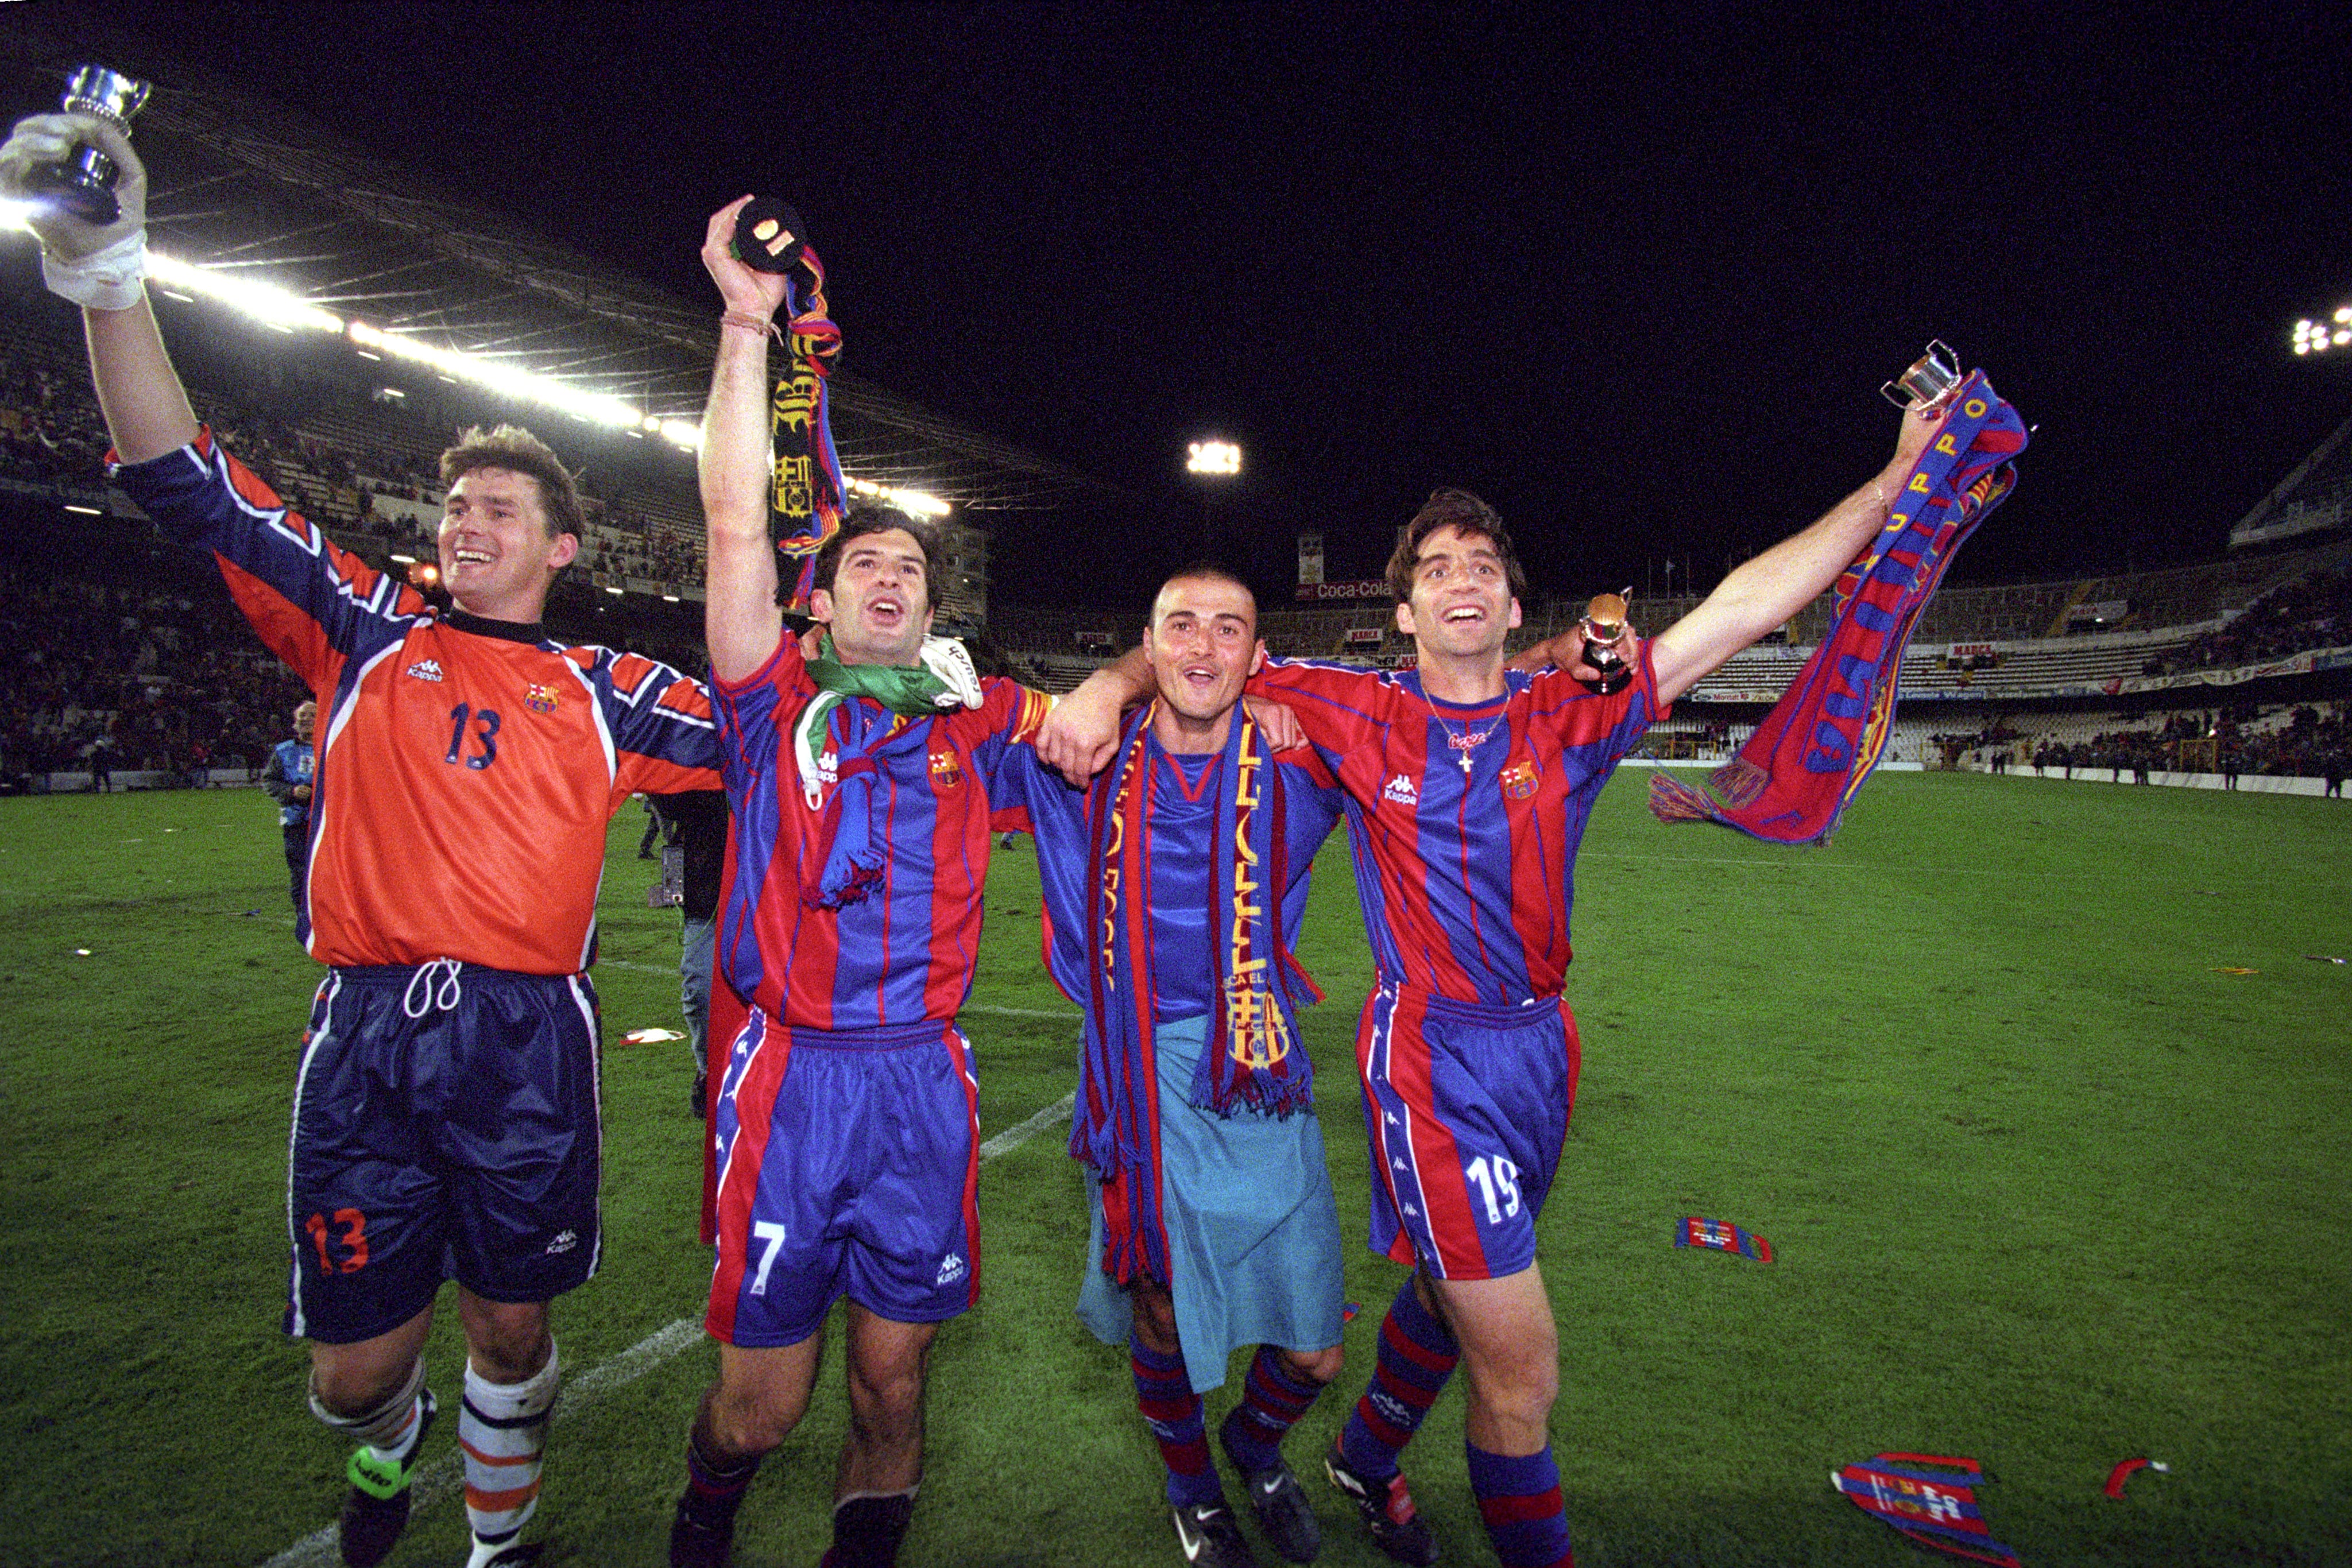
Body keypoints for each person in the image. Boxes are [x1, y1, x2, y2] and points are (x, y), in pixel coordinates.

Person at [0, 110, 722, 1568]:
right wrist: (107, 269)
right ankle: (394, 1446)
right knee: (351, 1375)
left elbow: (787, 739)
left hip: (529, 1038)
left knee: (511, 1325)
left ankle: (498, 1543)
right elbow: (184, 479)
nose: (467, 520)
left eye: (500, 509)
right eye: (455, 504)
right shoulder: (361, 629)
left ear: (560, 549)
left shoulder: (613, 691)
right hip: (369, 1034)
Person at [1056, 404, 1949, 1568]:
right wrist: (1102, 685)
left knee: (1445, 1293)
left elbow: (1741, 605)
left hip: (1542, 1048)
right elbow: (1197, 648)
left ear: (1512, 607)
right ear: (1404, 612)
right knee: (1520, 1369)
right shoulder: (1351, 707)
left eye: (1480, 566)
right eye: (1434, 570)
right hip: (1428, 1059)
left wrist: (1894, 480)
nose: (1458, 580)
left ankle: (1363, 1459)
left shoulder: (1567, 709)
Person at [668, 196, 1084, 1568]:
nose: (893, 580)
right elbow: (736, 523)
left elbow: (1102, 731)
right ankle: (705, 1510)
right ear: (827, 599)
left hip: (923, 1083)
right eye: (868, 565)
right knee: (762, 1404)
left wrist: (1144, 675)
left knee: (891, 1384)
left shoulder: (980, 722)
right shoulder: (767, 699)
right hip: (794, 1080)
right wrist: (746, 325)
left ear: (934, 602)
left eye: (913, 567)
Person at [997, 568, 1347, 1567]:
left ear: (1255, 655)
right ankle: (1194, 1491)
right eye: (1179, 629)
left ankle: (1255, 1441)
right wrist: (1102, 689)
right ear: (1148, 646)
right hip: (1134, 1070)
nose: (1201, 649)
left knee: (1314, 1348)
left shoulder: (1301, 763)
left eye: (1227, 630)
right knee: (1159, 1304)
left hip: (1256, 1061)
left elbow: (1466, 707)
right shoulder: (1080, 755)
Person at [650, 787, 729, 1116]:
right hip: (705, 895)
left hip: (760, 893)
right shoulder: (699, 751)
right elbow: (667, 800)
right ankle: (707, 1071)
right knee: (699, 989)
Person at [262, 699, 318, 922]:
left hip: (327, 822)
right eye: (302, 716)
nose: (306, 719)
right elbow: (270, 781)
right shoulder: (283, 752)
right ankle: (304, 918)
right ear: (295, 723)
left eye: (312, 715)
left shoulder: (333, 747)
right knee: (299, 873)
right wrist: (291, 792)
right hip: (296, 821)